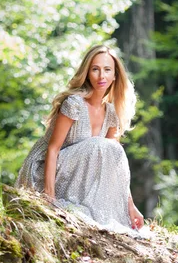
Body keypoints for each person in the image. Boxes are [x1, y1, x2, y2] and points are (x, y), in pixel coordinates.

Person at [16, 44, 145, 236]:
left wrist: (130, 207)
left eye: (107, 70)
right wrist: (48, 197)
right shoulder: (74, 104)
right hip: (43, 172)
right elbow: (52, 149)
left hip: (76, 175)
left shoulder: (110, 112)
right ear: (87, 73)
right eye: (95, 69)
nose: (101, 76)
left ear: (115, 75)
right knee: (99, 144)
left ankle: (104, 213)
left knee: (112, 148)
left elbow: (115, 166)